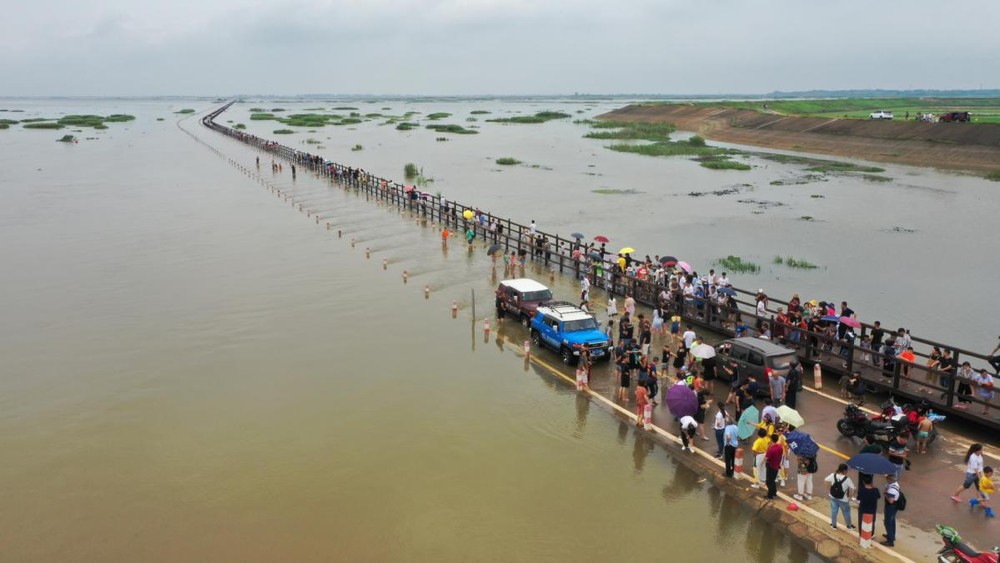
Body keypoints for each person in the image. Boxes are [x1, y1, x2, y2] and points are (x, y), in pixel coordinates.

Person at [825, 463, 856, 530]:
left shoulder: (833, 475)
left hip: (833, 497)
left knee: (834, 511)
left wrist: (830, 490)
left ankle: (833, 525)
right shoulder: (847, 479)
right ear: (844, 471)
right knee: (846, 512)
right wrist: (850, 496)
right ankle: (849, 526)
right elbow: (853, 489)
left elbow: (826, 480)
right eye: (847, 470)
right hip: (843, 500)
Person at [882, 474, 900, 547]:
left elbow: (891, 501)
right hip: (894, 506)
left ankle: (890, 541)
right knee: (892, 520)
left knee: (887, 522)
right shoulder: (895, 484)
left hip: (891, 506)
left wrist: (885, 494)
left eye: (887, 479)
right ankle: (892, 535)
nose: (886, 480)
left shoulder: (892, 490)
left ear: (890, 480)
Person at [765, 434, 783, 499]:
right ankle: (774, 492)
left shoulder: (771, 449)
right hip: (776, 466)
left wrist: (768, 447)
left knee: (769, 481)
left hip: (771, 466)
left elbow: (766, 458)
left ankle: (770, 494)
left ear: (771, 439)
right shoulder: (780, 447)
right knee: (772, 480)